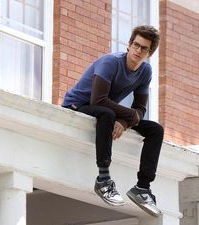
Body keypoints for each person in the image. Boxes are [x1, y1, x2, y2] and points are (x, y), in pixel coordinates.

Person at [62, 25, 164, 216]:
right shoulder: (111, 62)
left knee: (155, 130)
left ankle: (142, 188)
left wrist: (125, 122)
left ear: (149, 53)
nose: (138, 50)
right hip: (78, 105)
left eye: (144, 48)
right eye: (135, 44)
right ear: (129, 44)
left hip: (108, 110)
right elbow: (97, 100)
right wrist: (129, 116)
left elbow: (140, 108)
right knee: (107, 114)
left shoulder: (145, 72)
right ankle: (103, 180)